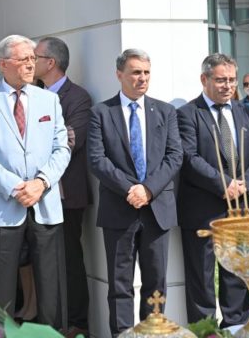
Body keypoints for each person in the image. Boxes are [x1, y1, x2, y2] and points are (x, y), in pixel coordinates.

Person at [0, 35, 70, 333]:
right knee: (1, 292)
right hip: (2, 208)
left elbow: (61, 148)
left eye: (32, 59)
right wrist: (16, 187)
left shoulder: (49, 99)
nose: (30, 64)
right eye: (23, 59)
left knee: (51, 289)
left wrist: (41, 182)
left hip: (45, 205)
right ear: (3, 64)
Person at [87, 49, 182, 337]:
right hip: (119, 210)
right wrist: (131, 189)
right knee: (120, 285)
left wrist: (148, 189)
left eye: (146, 72)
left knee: (156, 284)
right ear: (120, 75)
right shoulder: (101, 113)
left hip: (157, 209)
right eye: (136, 72)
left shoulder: (165, 112)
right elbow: (97, 159)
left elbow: (174, 156)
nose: (142, 78)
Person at [177, 53, 249, 328]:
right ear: (204, 79)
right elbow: (189, 158)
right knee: (201, 277)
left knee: (236, 272)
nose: (228, 86)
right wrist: (224, 184)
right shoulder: (187, 114)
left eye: (232, 80)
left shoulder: (245, 112)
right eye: (221, 80)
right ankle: (205, 331)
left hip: (240, 207)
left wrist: (245, 183)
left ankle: (235, 327)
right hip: (202, 208)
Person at [34, 37, 92, 337]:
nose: (31, 61)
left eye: (35, 56)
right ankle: (50, 320)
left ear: (50, 62)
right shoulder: (33, 94)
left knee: (69, 261)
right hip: (35, 193)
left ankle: (77, 323)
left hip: (66, 194)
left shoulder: (77, 97)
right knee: (43, 262)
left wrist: (29, 146)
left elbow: (72, 139)